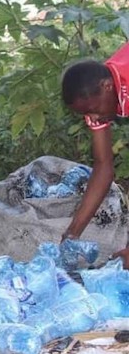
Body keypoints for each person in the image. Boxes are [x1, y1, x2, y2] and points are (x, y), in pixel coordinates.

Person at [61, 43, 129, 267]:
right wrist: (72, 233)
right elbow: (103, 167)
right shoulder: (98, 101)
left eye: (94, 110)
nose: (93, 118)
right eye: (85, 114)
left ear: (107, 86)